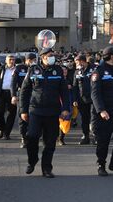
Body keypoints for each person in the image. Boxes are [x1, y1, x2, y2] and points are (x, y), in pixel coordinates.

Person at [20, 48, 70, 178]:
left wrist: (65, 108)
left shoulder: (58, 70)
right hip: (35, 110)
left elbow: (64, 91)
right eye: (49, 55)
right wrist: (23, 110)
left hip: (52, 111)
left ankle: (47, 168)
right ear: (42, 57)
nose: (52, 57)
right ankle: (32, 161)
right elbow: (24, 91)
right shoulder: (33, 70)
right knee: (32, 137)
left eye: (53, 55)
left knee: (50, 141)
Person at [91, 47, 113, 176]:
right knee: (103, 141)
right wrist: (101, 110)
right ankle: (101, 164)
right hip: (105, 113)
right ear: (111, 56)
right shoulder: (98, 72)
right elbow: (95, 94)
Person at [11, 53, 36, 148]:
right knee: (22, 116)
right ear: (26, 60)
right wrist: (13, 95)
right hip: (22, 95)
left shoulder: (37, 68)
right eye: (30, 60)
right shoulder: (19, 68)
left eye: (33, 60)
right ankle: (24, 137)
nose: (32, 62)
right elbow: (13, 82)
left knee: (34, 116)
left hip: (35, 96)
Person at [0, 55, 18, 140]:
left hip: (12, 94)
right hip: (1, 93)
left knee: (11, 113)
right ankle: (2, 128)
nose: (12, 61)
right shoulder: (1, 69)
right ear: (6, 61)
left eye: (13, 60)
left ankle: (7, 133)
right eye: (10, 59)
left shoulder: (17, 70)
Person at [74, 54, 94, 145]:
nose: (77, 64)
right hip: (82, 99)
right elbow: (75, 86)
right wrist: (75, 99)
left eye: (78, 62)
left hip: (93, 99)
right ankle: (85, 136)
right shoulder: (77, 72)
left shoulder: (94, 69)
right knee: (85, 119)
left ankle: (96, 137)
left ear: (83, 61)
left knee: (94, 118)